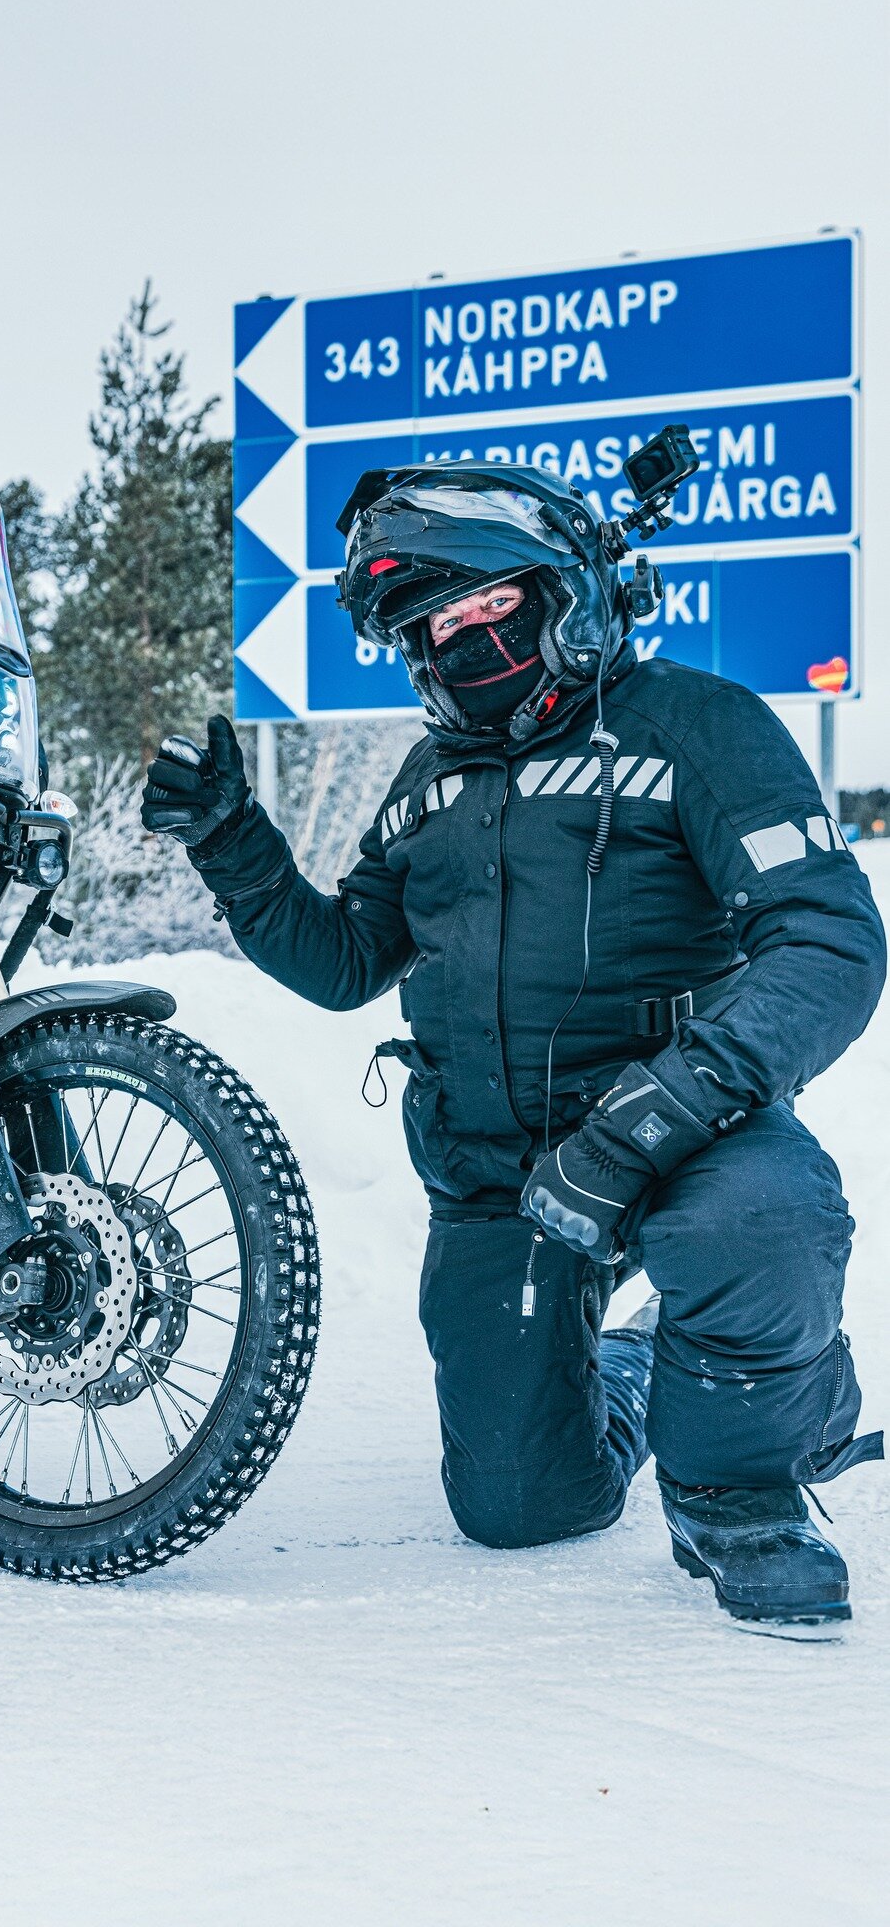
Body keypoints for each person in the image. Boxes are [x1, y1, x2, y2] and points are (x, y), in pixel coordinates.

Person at [142, 460, 885, 1627]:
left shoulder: (698, 726)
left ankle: (743, 1487)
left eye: (490, 608)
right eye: (435, 626)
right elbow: (343, 962)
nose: (463, 643)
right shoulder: (429, 779)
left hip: (680, 1132)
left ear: (568, 595)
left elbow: (829, 943)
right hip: (498, 1174)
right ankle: (646, 1363)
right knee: (518, 1504)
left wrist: (662, 1109)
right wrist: (230, 839)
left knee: (760, 1220)